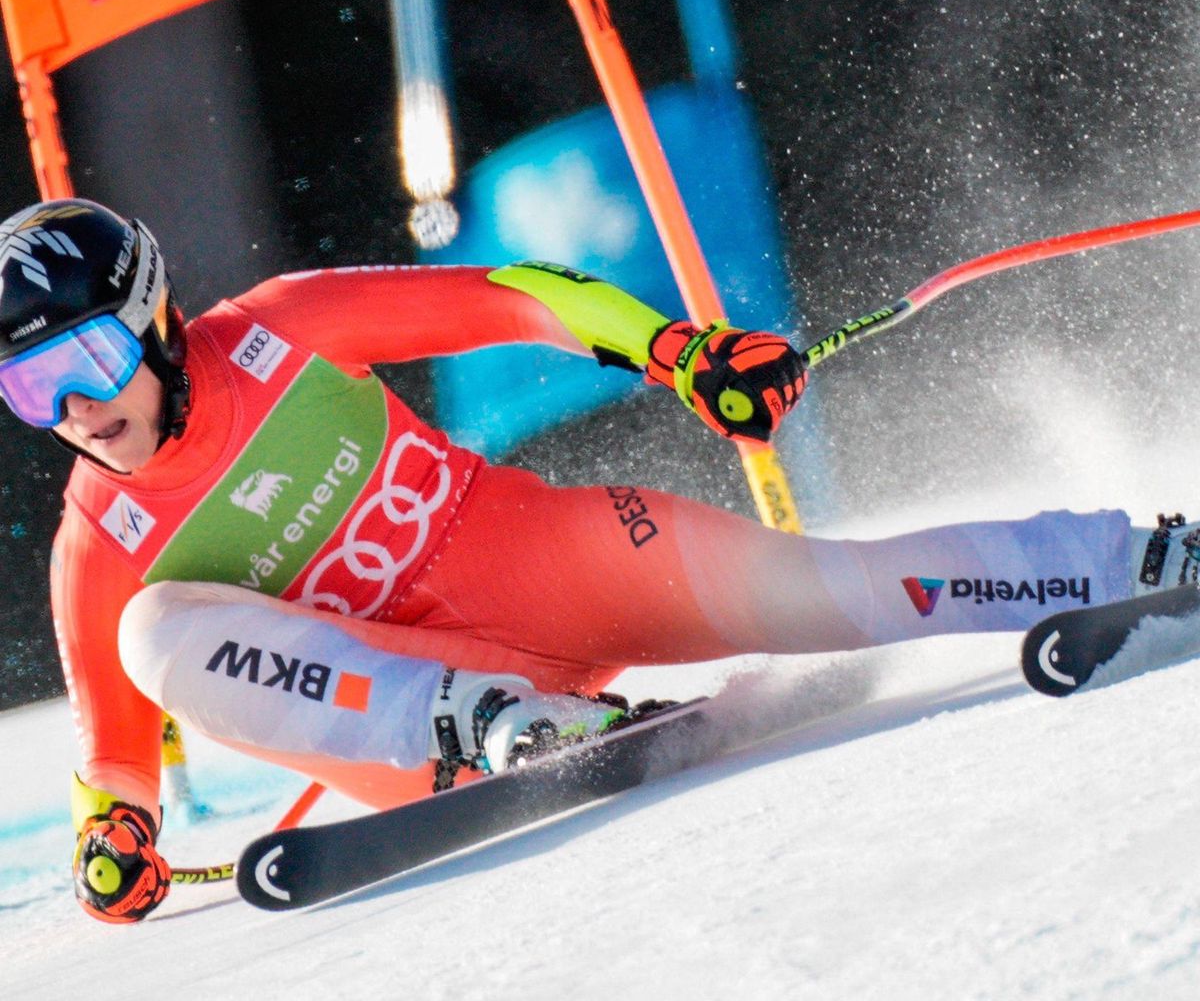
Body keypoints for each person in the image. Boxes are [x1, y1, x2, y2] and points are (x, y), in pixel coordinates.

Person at [0, 198, 1185, 924]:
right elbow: (114, 764)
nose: (78, 408)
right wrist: (116, 848)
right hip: (429, 737)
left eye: (91, 359)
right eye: (30, 387)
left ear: (151, 318)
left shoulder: (280, 328)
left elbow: (519, 296)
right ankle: (508, 724)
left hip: (539, 561)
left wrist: (679, 350)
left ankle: (1141, 556)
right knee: (154, 634)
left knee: (843, 588)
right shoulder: (97, 539)